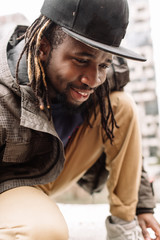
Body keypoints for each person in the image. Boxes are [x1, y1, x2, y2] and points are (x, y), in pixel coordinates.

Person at [0, 0, 159, 239]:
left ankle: (123, 229)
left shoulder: (102, 78)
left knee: (121, 106)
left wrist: (143, 205)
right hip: (10, 184)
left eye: (103, 64)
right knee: (45, 232)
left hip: (55, 170)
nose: (93, 79)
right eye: (82, 61)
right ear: (43, 49)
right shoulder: (3, 96)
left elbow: (122, 136)